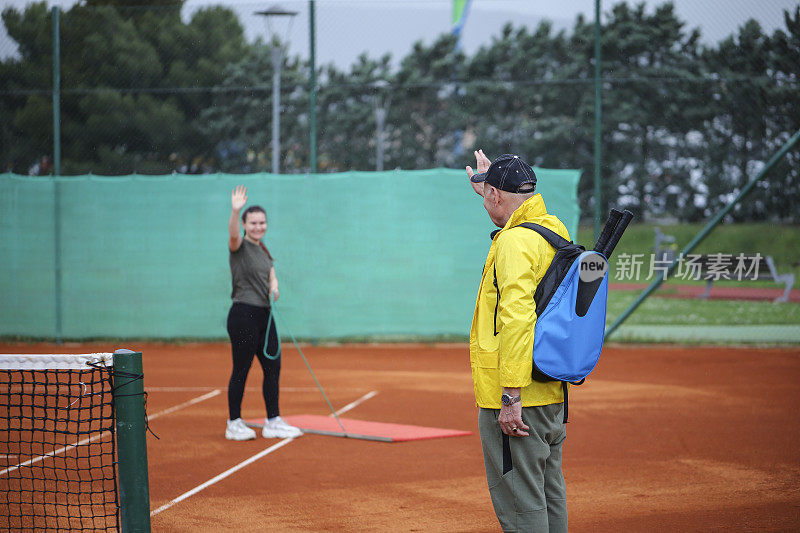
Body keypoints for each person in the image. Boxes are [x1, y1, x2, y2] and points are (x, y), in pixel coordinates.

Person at [466, 150, 570, 532]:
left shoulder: (512, 243)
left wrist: (510, 395)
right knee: (547, 493)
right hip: (551, 391)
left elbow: (517, 319)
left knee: (520, 505)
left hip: (517, 396)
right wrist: (488, 186)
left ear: (495, 194)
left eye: (490, 193)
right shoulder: (553, 229)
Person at [224, 185, 302, 441]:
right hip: (243, 314)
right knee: (242, 369)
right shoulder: (240, 246)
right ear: (246, 224)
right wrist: (235, 211)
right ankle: (234, 422)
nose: (258, 226)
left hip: (264, 317)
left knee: (273, 368)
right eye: (253, 222)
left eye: (262, 222)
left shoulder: (263, 250)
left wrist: (275, 285)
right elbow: (233, 236)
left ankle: (273, 421)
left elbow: (270, 273)